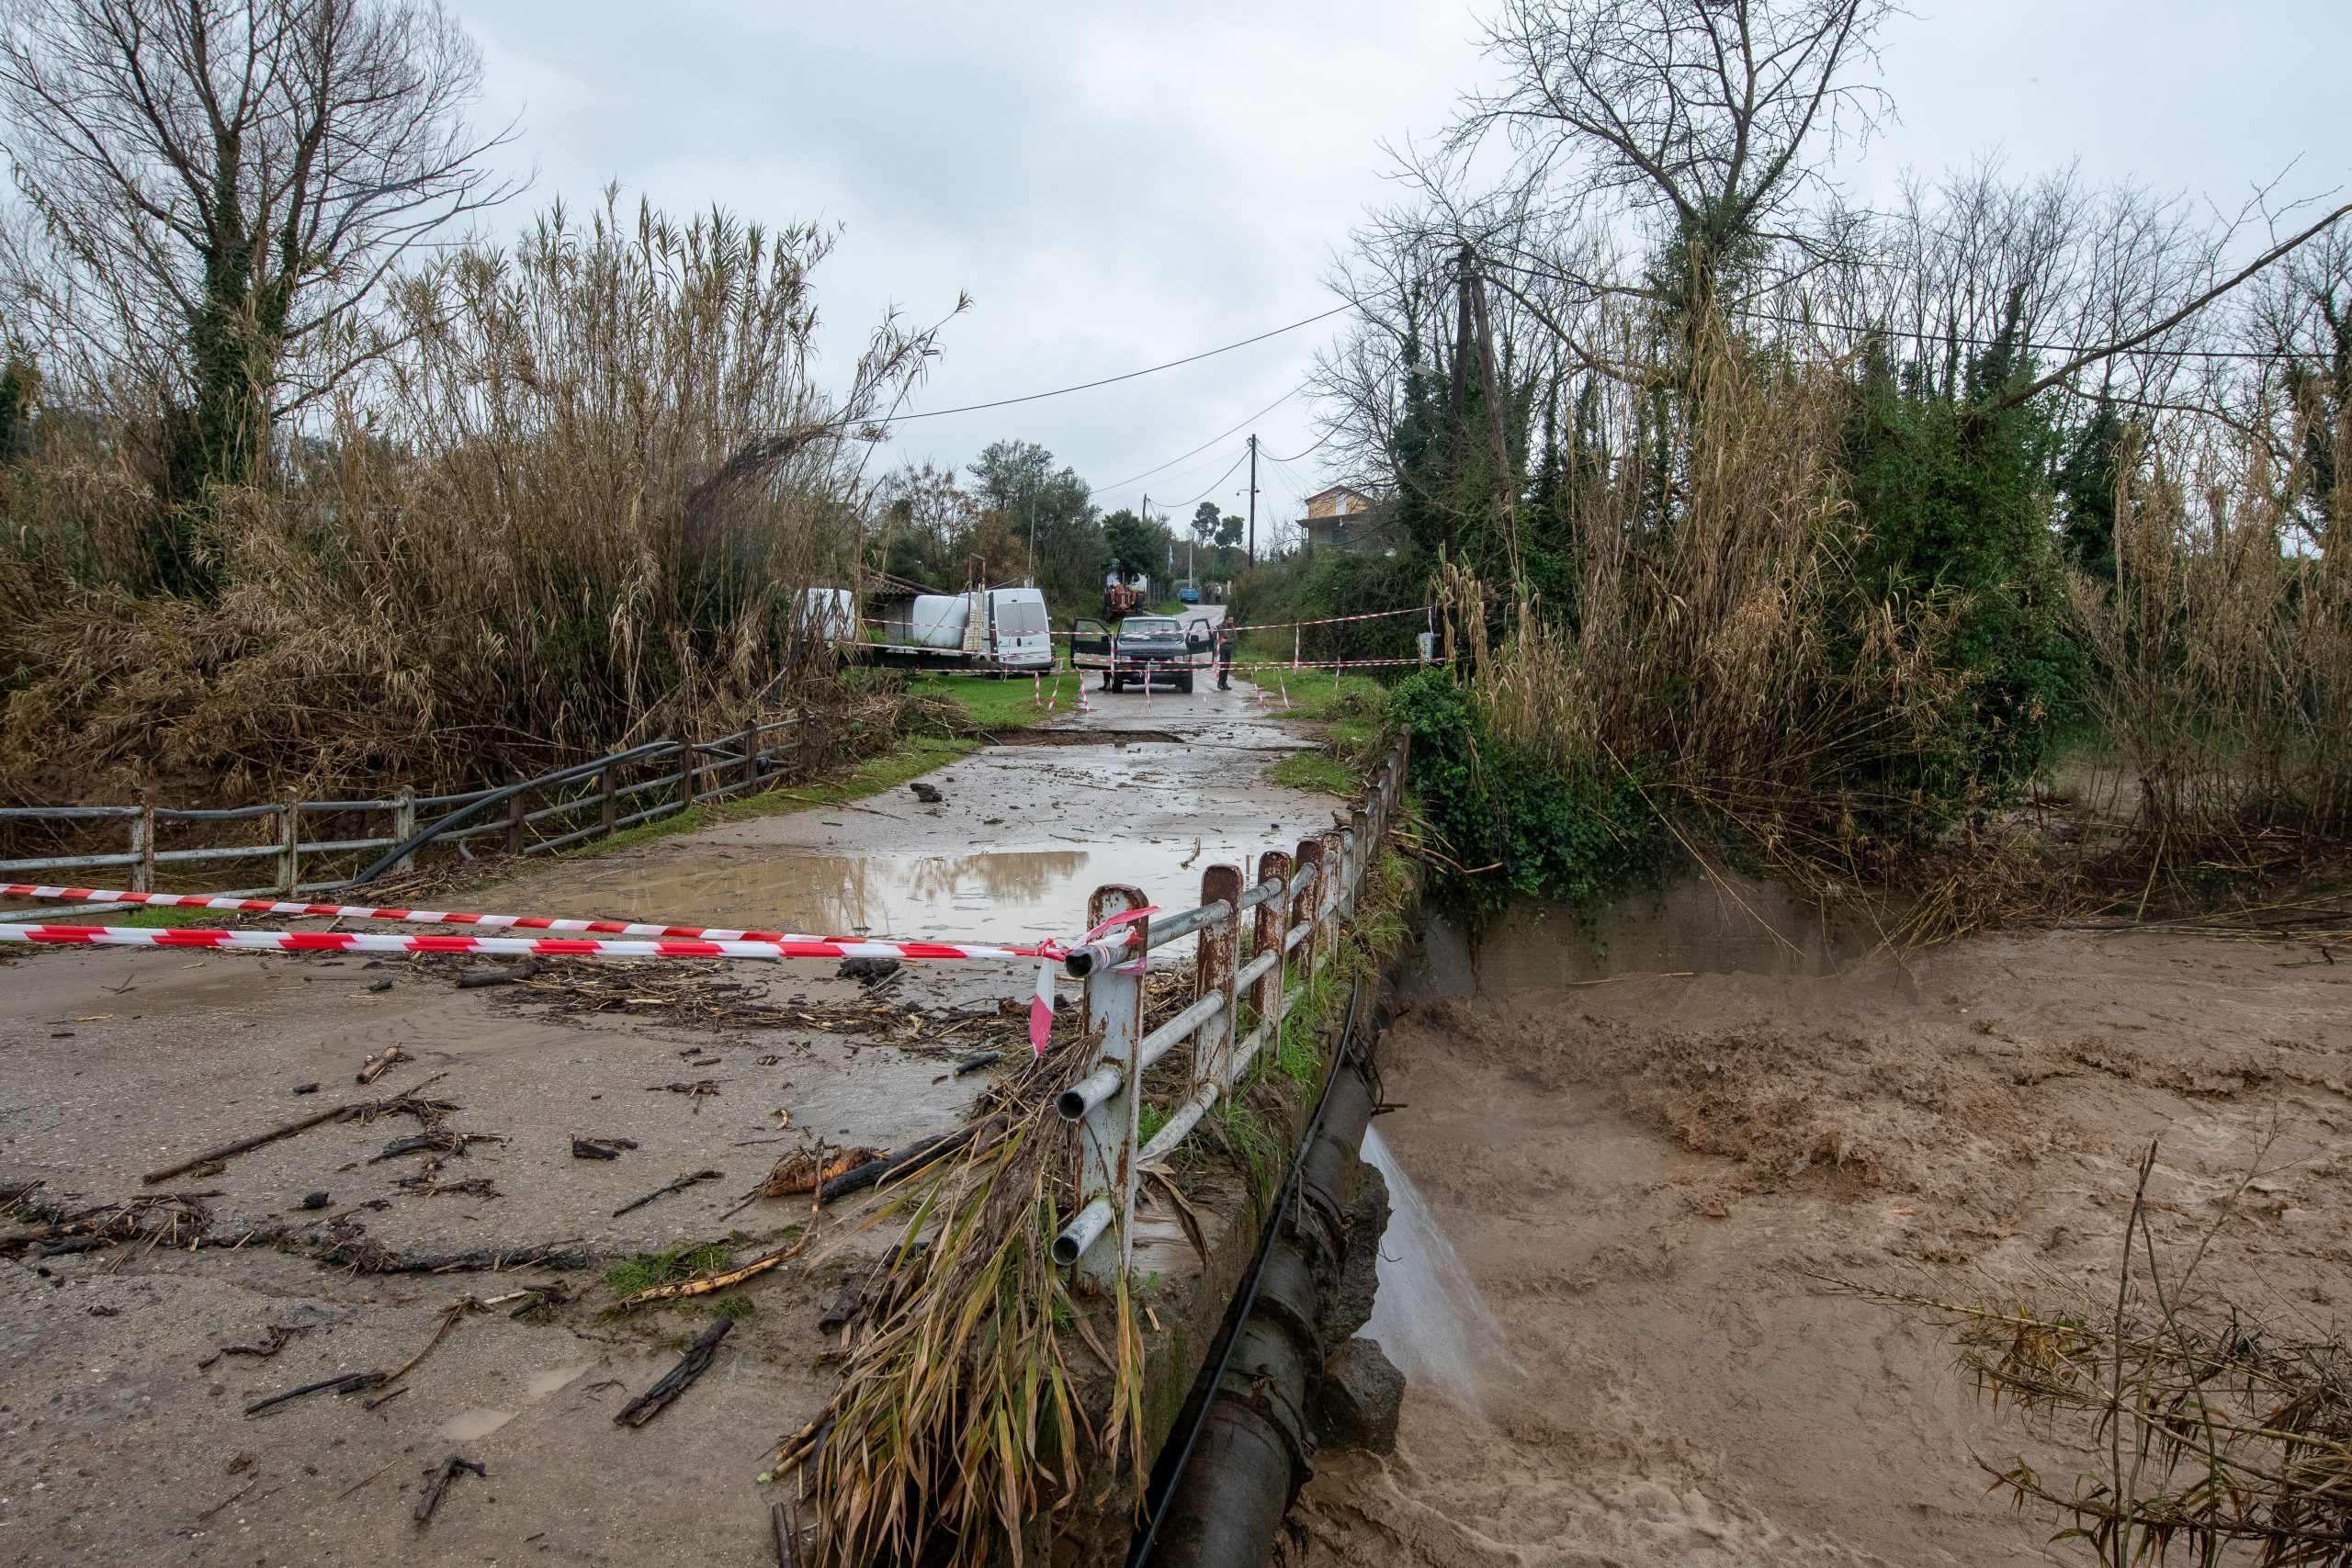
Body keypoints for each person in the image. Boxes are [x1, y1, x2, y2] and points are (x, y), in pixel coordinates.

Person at [1215, 620, 1237, 691]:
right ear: (1226, 620)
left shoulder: (1233, 628)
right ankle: (1220, 682)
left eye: (1232, 620)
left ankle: (1224, 683)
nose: (1231, 621)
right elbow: (1214, 637)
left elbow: (1235, 639)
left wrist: (1226, 640)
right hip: (1221, 650)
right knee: (1223, 665)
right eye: (1230, 620)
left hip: (1229, 650)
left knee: (1227, 667)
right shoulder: (1219, 627)